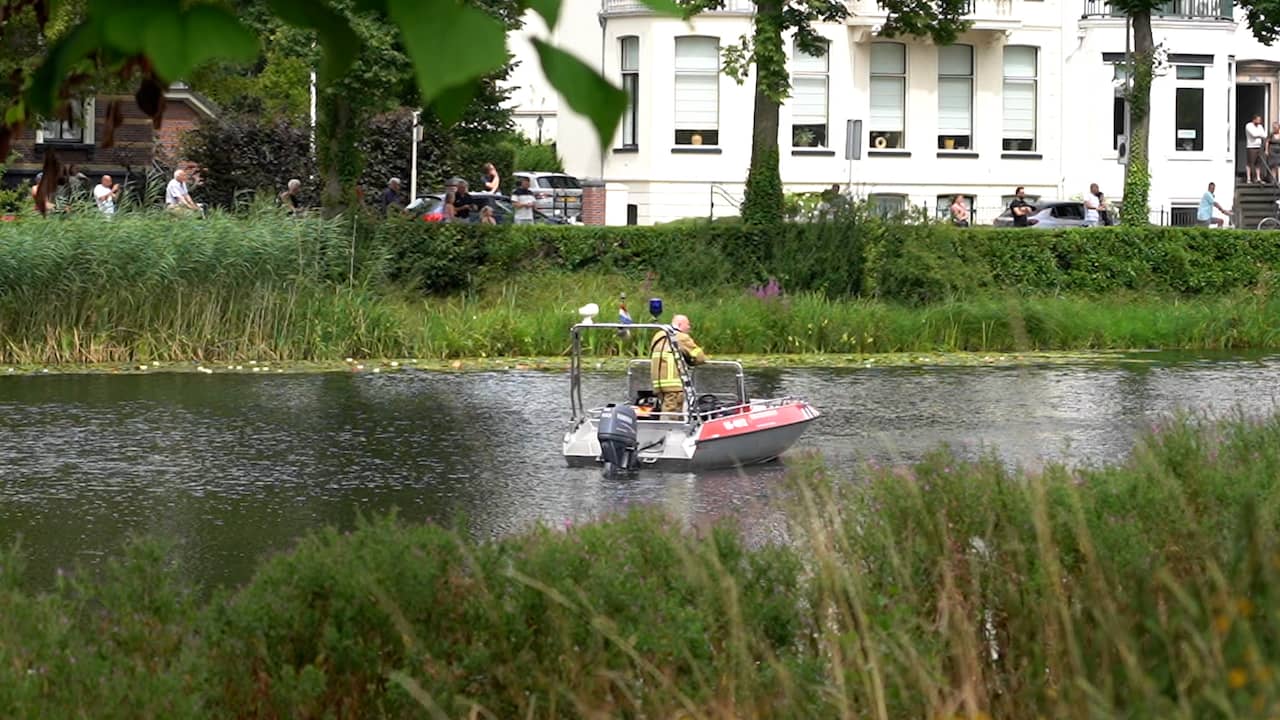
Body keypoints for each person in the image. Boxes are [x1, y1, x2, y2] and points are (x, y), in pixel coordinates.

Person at [650, 314, 708, 417]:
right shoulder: (681, 337)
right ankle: (669, 431)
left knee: (664, 406)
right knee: (672, 412)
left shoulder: (659, 335)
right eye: (688, 324)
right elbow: (700, 357)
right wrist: (690, 361)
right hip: (673, 383)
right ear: (680, 325)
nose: (689, 327)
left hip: (658, 383)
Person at [1246, 115, 1267, 184]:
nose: (1259, 121)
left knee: (1258, 163)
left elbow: (1264, 135)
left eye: (1260, 120)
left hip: (1259, 146)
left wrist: (1260, 135)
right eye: (1258, 120)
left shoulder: (1260, 126)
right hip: (1251, 147)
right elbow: (1253, 134)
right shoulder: (1249, 126)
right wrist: (1260, 135)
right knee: (1250, 163)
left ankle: (1258, 178)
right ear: (1254, 120)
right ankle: (1249, 178)